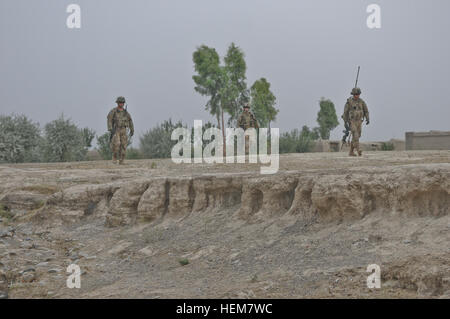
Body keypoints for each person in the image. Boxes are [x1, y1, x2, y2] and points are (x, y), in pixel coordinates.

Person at [342, 88, 370, 156]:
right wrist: (345, 122)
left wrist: (367, 118)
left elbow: (366, 111)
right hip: (352, 121)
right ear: (353, 94)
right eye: (355, 94)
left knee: (357, 136)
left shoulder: (362, 102)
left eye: (358, 94)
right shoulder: (349, 102)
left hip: (359, 121)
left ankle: (351, 152)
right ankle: (358, 150)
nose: (356, 96)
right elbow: (345, 113)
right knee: (356, 135)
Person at [107, 96, 134, 164]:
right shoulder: (113, 111)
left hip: (124, 130)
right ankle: (114, 159)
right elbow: (109, 119)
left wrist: (132, 129)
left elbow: (130, 121)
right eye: (120, 102)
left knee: (124, 145)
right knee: (116, 144)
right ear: (117, 103)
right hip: (116, 130)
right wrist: (110, 128)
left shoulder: (126, 113)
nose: (121, 104)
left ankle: (122, 160)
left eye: (122, 103)